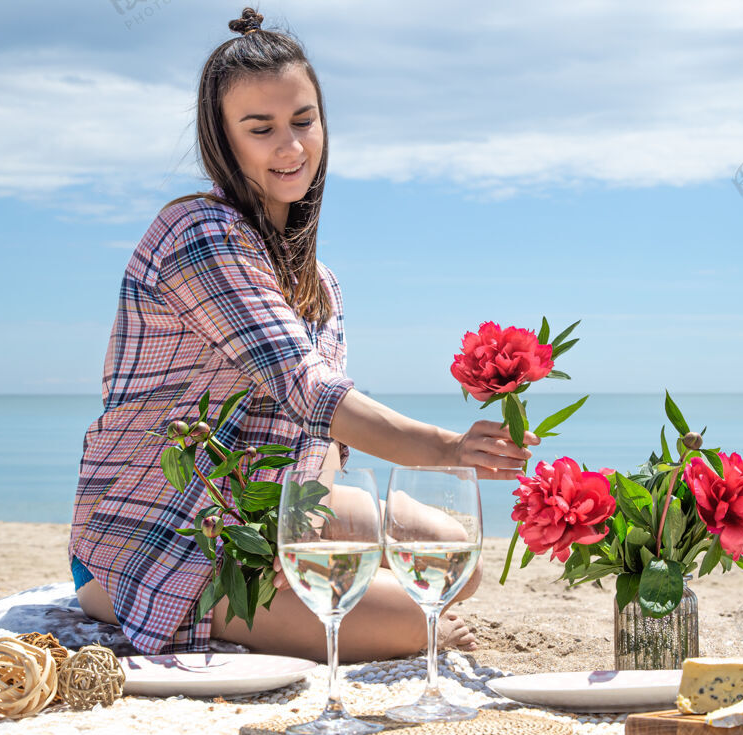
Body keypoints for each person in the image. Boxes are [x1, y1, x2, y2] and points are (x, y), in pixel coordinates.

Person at [69, 8, 536, 660]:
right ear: (223, 140)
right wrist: (450, 447)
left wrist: (301, 540)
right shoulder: (199, 236)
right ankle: (174, 604)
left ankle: (304, 592)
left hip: (267, 513)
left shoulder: (321, 281)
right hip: (159, 534)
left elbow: (322, 443)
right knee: (412, 625)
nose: (290, 147)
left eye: (303, 121)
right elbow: (310, 390)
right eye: (260, 129)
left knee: (455, 561)